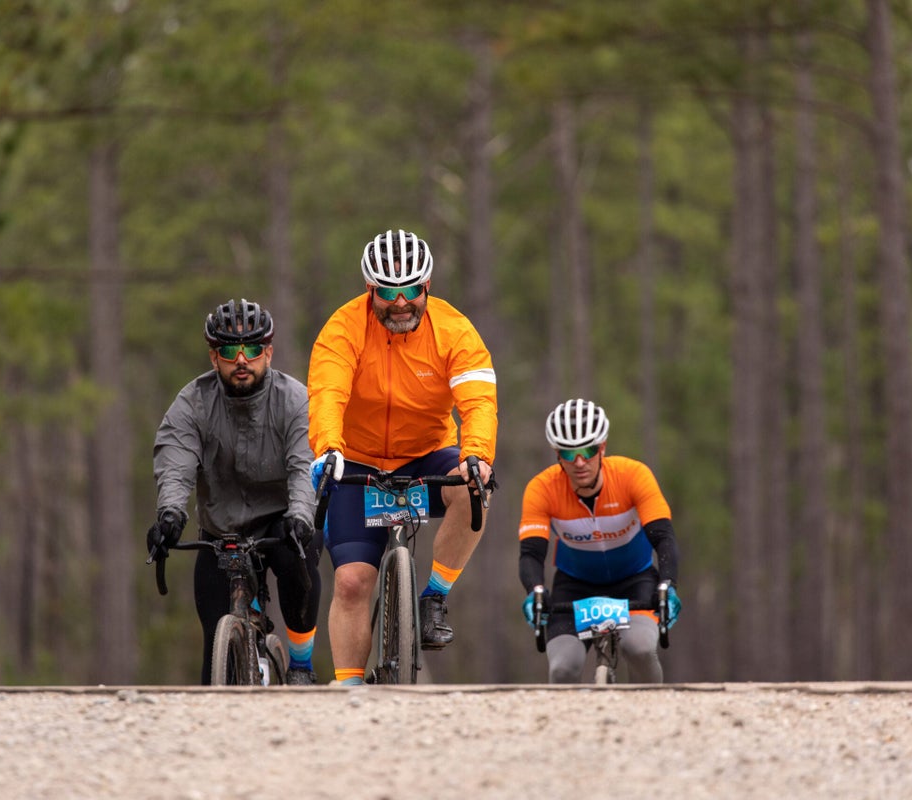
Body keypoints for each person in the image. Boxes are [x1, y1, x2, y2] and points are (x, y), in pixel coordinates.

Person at [308, 228, 497, 686]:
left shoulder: (455, 331)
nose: (400, 302)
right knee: (352, 582)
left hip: (425, 453)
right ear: (370, 290)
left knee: (473, 487)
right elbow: (327, 393)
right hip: (356, 459)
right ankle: (350, 685)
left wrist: (477, 456)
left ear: (426, 286)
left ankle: (434, 597)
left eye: (411, 290)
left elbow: (478, 402)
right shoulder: (343, 328)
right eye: (387, 292)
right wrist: (328, 449)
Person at [148, 299, 322, 685]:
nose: (241, 359)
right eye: (229, 350)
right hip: (222, 531)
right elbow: (175, 462)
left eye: (253, 349)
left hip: (284, 521)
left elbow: (302, 465)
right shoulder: (192, 403)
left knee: (299, 567)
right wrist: (171, 515)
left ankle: (300, 665)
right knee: (214, 661)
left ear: (269, 352)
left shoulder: (294, 400)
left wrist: (300, 515)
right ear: (214, 357)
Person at [518, 398, 682, 683]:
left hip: (635, 580)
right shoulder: (542, 489)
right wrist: (535, 590)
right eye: (570, 454)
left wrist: (668, 584)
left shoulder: (633, 475)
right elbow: (531, 553)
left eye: (588, 450)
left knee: (640, 650)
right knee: (562, 669)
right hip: (574, 587)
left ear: (602, 448)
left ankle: (654, 719)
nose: (580, 462)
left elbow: (664, 537)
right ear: (557, 453)